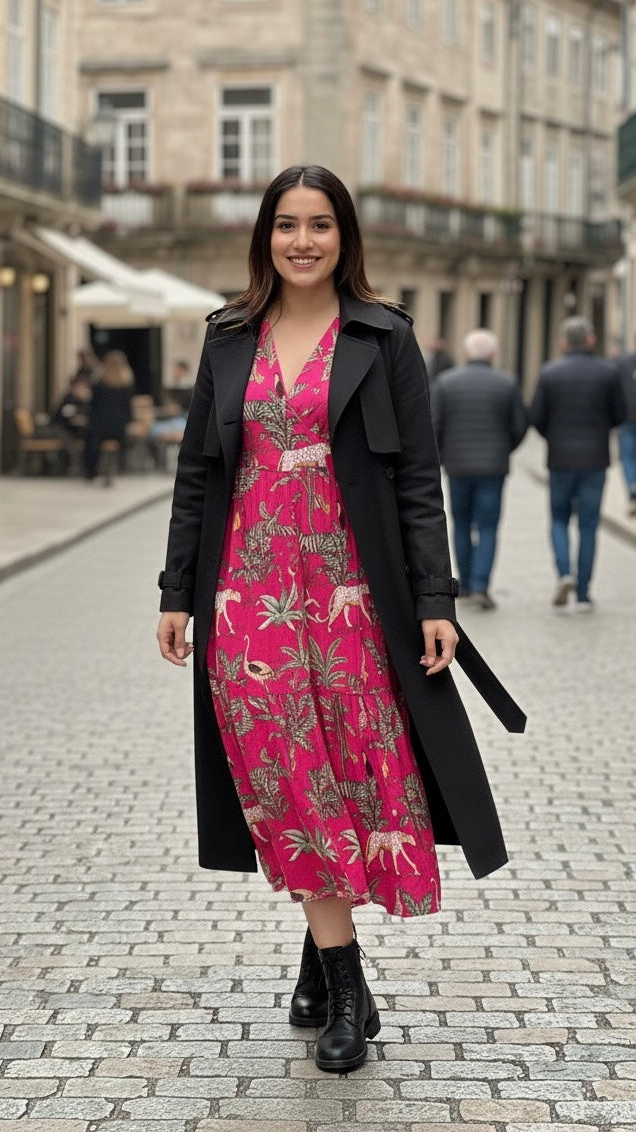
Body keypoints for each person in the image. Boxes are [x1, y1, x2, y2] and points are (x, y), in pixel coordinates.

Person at [156, 166, 525, 1074]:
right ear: (265, 237)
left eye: (319, 225)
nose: (302, 241)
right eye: (286, 225)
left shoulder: (383, 336)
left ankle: (318, 958)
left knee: (348, 779)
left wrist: (435, 600)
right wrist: (176, 591)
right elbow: (198, 473)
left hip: (351, 596)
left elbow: (417, 479)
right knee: (287, 776)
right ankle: (350, 986)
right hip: (246, 596)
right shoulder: (227, 337)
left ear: (343, 237)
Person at [530, 316, 626, 611]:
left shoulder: (550, 372)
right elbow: (621, 414)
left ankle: (564, 573)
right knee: (588, 526)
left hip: (560, 459)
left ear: (563, 342)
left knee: (559, 519)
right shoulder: (607, 373)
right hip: (595, 460)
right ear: (591, 340)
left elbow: (537, 417)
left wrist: (554, 437)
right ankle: (583, 593)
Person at [431, 329, 527, 610]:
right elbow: (519, 426)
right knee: (487, 526)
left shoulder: (446, 383)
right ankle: (482, 585)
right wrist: (503, 450)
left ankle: (467, 584)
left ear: (465, 353)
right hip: (493, 468)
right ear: (493, 354)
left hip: (458, 466)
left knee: (461, 523)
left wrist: (443, 456)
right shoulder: (507, 383)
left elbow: (434, 425)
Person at [84, 350, 134, 481]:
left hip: (99, 427)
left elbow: (92, 406)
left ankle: (91, 472)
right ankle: (120, 468)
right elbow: (128, 410)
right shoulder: (126, 385)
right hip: (119, 428)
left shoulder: (99, 385)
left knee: (90, 439)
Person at [615, 342, 636, 515]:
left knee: (628, 457)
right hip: (626, 420)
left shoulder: (622, 363)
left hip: (626, 417)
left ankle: (632, 487)